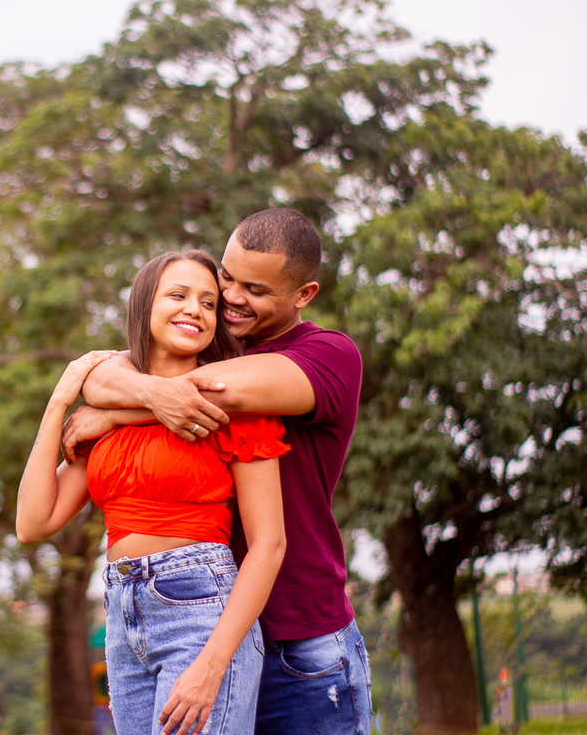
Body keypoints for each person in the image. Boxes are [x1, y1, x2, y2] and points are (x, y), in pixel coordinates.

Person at [69, 209, 372, 735]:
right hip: (198, 626)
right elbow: (100, 373)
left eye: (255, 288)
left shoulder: (326, 356)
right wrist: (117, 392)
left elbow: (213, 393)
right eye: (227, 277)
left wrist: (116, 406)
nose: (230, 296)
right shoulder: (206, 344)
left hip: (299, 643)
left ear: (303, 294)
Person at [16, 250, 289, 735]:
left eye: (209, 303)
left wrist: (212, 664)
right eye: (178, 295)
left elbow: (269, 545)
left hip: (203, 611)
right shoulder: (104, 419)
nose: (195, 310)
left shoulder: (233, 404)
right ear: (144, 306)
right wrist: (60, 402)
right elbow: (33, 523)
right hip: (123, 617)